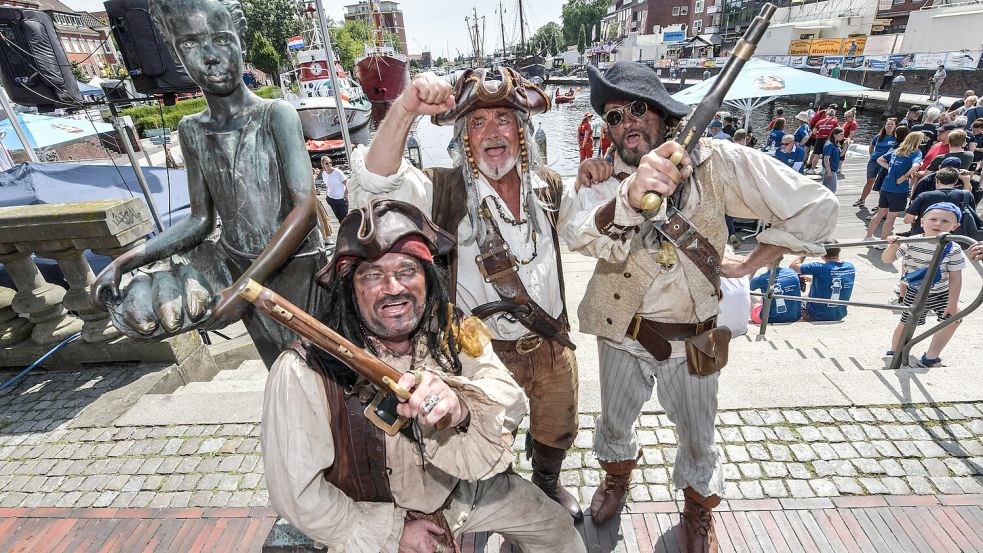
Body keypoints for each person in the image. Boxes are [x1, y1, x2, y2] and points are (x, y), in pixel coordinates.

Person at [565, 61, 837, 550]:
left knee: (698, 435)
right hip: (621, 331)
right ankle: (617, 479)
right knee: (613, 421)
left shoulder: (719, 162)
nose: (625, 121)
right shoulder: (603, 178)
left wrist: (752, 261)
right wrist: (627, 192)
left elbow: (815, 205)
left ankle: (697, 508)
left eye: (637, 108)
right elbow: (579, 237)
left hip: (695, 336)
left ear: (663, 113)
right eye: (612, 115)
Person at [262, 199, 586, 553]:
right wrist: (392, 532)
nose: (393, 287)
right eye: (372, 275)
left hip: (463, 491)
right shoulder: (303, 371)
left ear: (427, 278)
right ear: (348, 288)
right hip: (372, 515)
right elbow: (297, 495)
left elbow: (507, 397)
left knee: (556, 531)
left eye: (406, 270)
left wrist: (462, 406)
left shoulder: (450, 329)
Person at [350, 69, 584, 521]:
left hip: (553, 344)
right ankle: (510, 503)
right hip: (484, 354)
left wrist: (605, 175)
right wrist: (405, 109)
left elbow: (591, 227)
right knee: (491, 436)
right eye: (477, 123)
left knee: (558, 429)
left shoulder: (551, 187)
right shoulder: (442, 190)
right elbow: (376, 184)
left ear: (523, 129)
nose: (493, 132)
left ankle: (548, 486)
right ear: (463, 139)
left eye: (504, 119)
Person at [91, 0, 327, 368]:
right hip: (240, 268)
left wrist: (243, 289)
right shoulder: (191, 130)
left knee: (323, 370)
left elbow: (305, 209)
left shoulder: (275, 114)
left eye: (220, 39)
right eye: (190, 44)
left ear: (240, 41)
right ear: (175, 52)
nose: (211, 56)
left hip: (299, 269)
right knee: (282, 372)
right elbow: (200, 219)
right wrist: (126, 260)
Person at [881, 202, 966, 367]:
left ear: (955, 226)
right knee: (907, 322)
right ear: (921, 222)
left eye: (945, 221)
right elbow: (887, 259)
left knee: (954, 318)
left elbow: (956, 278)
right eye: (933, 219)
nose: (938, 224)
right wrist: (893, 246)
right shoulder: (912, 241)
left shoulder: (954, 248)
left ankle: (931, 356)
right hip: (915, 292)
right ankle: (894, 351)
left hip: (942, 292)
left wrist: (953, 303)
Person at [865, 131, 925, 245]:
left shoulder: (897, 150)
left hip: (886, 186)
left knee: (880, 213)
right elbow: (916, 165)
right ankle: (882, 242)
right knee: (891, 217)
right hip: (898, 189)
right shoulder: (916, 152)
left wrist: (890, 168)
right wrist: (905, 176)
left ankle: (868, 237)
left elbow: (880, 159)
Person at [790, 242, 856, 322]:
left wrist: (805, 252)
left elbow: (793, 266)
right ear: (839, 250)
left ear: (821, 253)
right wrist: (812, 279)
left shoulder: (819, 268)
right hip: (838, 315)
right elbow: (834, 278)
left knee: (793, 297)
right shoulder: (850, 267)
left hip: (815, 316)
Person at [905, 167, 978, 236]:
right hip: (956, 238)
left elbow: (907, 220)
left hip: (925, 236)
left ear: (937, 180)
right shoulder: (966, 194)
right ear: (955, 181)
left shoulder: (924, 196)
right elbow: (971, 216)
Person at [317, 155, 349, 223]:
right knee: (340, 220)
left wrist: (345, 196)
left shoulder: (338, 172)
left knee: (345, 220)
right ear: (323, 165)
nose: (329, 164)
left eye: (330, 162)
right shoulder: (324, 174)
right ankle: (343, 232)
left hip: (341, 199)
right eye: (326, 163)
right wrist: (326, 196)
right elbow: (327, 185)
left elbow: (347, 184)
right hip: (331, 199)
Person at [806, 108, 838, 173]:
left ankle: (812, 169)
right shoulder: (835, 122)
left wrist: (820, 133)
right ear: (833, 115)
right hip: (828, 140)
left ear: (826, 114)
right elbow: (838, 130)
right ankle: (824, 170)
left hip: (819, 139)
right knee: (827, 156)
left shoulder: (820, 121)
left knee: (817, 155)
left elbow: (814, 132)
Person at [821, 127, 844, 192]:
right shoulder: (830, 145)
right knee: (832, 191)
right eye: (841, 134)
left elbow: (840, 155)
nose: (843, 136)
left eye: (843, 134)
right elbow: (826, 159)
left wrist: (845, 146)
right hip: (830, 170)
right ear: (835, 135)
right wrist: (829, 172)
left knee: (825, 190)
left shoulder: (835, 144)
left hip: (830, 170)